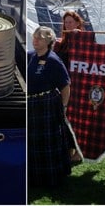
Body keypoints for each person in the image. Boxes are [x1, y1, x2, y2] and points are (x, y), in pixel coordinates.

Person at [28, 26, 79, 187]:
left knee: (48, 142)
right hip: (32, 104)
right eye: (34, 37)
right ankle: (35, 176)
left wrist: (63, 107)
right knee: (34, 142)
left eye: (39, 38)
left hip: (47, 105)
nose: (35, 40)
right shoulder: (30, 56)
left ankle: (53, 176)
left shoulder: (53, 60)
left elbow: (66, 86)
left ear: (48, 41)